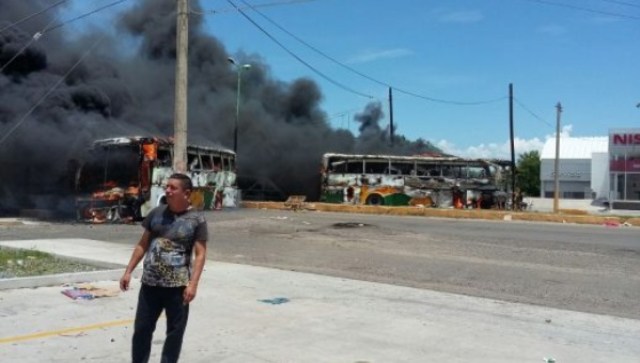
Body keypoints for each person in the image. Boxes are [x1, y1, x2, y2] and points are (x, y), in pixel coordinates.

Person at [120, 173, 208, 363]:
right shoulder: (156, 213)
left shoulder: (197, 220)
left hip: (178, 288)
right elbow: (142, 244)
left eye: (172, 187)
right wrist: (128, 271)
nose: (167, 190)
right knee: (142, 330)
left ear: (187, 193)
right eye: (166, 186)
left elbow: (200, 254)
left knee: (174, 334)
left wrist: (193, 285)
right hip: (150, 285)